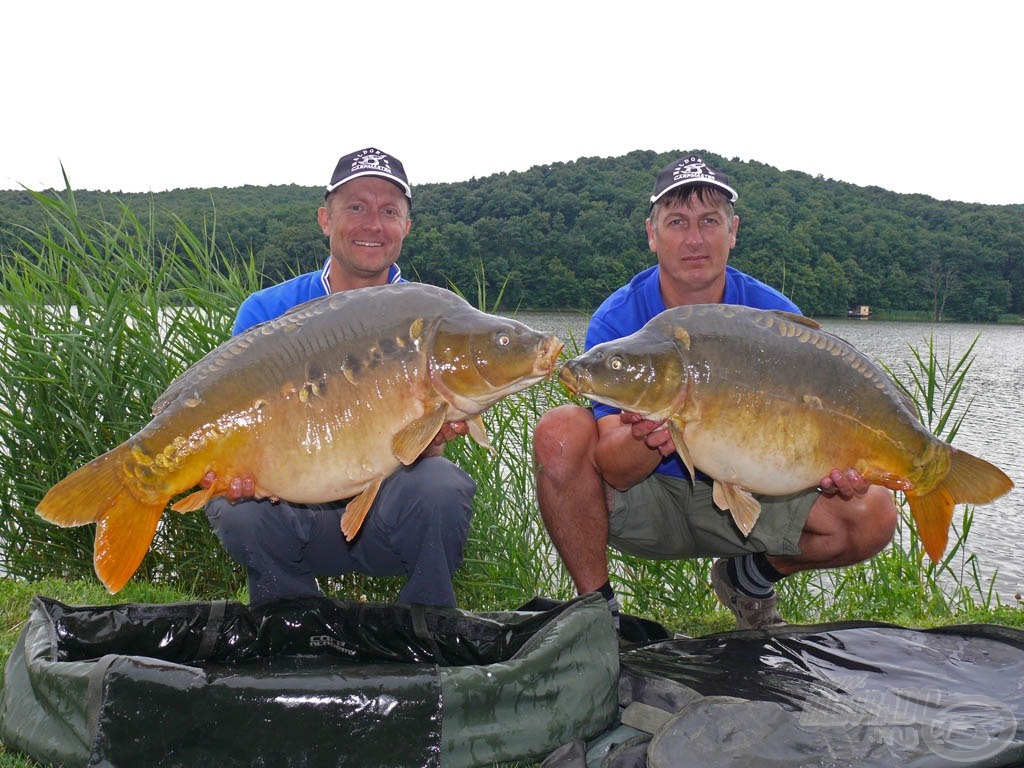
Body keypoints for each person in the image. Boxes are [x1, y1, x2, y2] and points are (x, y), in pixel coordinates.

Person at [532, 153, 898, 630]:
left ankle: (748, 580)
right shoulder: (619, 322)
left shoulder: (773, 317)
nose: (694, 239)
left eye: (710, 221)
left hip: (754, 490)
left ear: (733, 231)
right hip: (651, 497)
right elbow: (617, 473)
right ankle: (599, 615)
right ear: (652, 233)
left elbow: (812, 433)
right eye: (677, 221)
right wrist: (651, 436)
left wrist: (837, 466)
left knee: (873, 512)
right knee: (560, 430)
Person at [203, 147, 476, 608]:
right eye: (356, 207)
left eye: (389, 211)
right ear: (325, 219)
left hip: (383, 514)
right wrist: (234, 468)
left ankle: (426, 626)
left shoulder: (433, 317)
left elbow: (423, 449)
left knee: (441, 487)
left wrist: (434, 433)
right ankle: (288, 618)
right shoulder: (267, 311)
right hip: (288, 509)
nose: (373, 224)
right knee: (236, 507)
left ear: (406, 228)